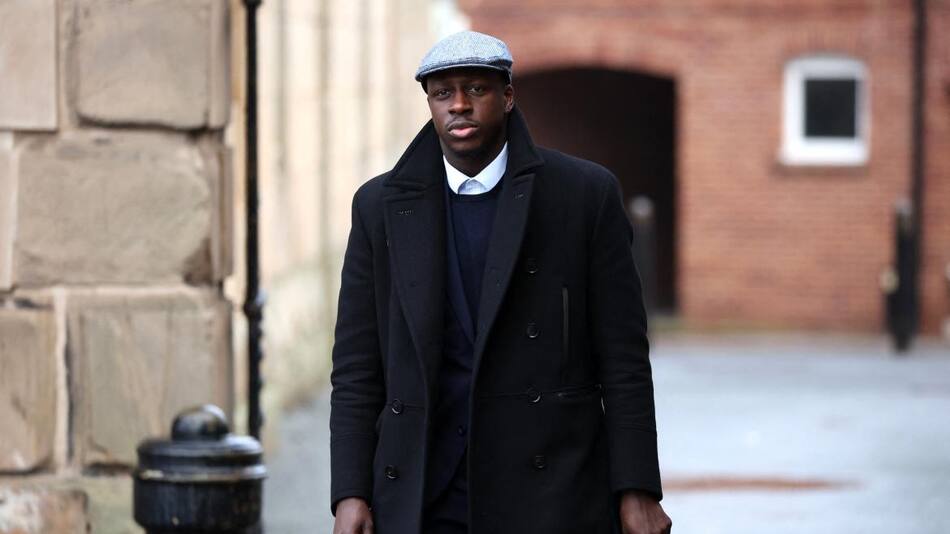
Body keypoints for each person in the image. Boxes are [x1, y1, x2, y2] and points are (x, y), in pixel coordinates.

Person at [330, 30, 671, 534]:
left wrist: (637, 488)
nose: (459, 105)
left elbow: (623, 359)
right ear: (430, 104)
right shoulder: (379, 207)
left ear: (508, 96)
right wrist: (350, 493)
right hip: (424, 488)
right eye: (443, 93)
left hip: (550, 487)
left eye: (476, 89)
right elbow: (357, 368)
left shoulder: (584, 195)